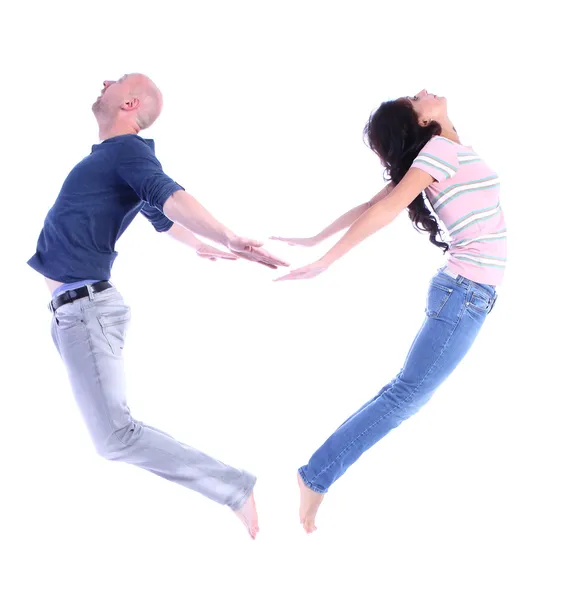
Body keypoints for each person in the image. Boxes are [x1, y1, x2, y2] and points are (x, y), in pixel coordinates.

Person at [27, 73, 289, 540]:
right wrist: (197, 246)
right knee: (110, 435)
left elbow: (170, 194)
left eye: (116, 81)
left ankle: (233, 488)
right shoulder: (113, 157)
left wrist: (225, 235)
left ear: (128, 102)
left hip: (86, 310)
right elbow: (160, 215)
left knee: (113, 437)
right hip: (74, 313)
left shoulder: (128, 150)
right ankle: (233, 488)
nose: (103, 80)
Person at [271, 89, 506, 533]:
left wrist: (314, 238)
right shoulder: (439, 151)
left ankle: (315, 475)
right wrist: (325, 257)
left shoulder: (448, 151)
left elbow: (375, 203)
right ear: (420, 123)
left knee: (403, 393)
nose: (423, 91)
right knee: (404, 397)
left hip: (469, 295)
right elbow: (385, 211)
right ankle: (315, 477)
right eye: (414, 99)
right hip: (465, 295)